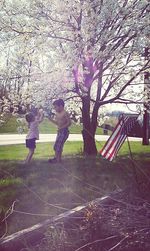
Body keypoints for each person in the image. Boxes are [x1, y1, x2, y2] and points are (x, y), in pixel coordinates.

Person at [48, 99, 71, 163]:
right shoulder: (57, 114)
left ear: (61, 106)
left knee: (58, 146)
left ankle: (57, 159)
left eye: (55, 107)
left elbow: (69, 123)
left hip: (64, 131)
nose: (55, 109)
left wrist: (62, 128)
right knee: (57, 146)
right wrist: (51, 120)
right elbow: (57, 123)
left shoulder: (65, 113)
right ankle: (57, 159)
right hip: (60, 131)